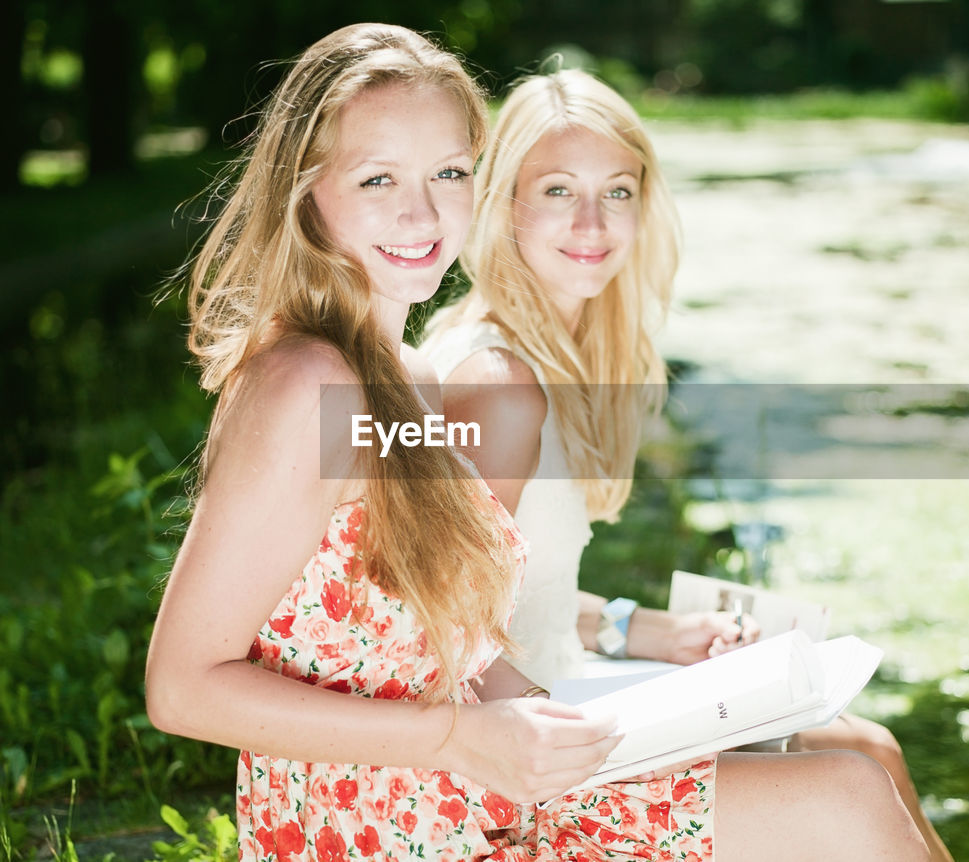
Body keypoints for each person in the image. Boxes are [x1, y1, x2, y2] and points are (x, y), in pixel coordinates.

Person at [145, 25, 927, 861]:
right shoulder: (303, 385)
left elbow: (463, 647)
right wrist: (458, 738)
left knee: (852, 787)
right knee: (847, 801)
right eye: (378, 179)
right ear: (306, 193)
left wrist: (596, 728)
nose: (422, 211)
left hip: (476, 794)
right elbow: (182, 687)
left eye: (448, 173)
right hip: (374, 829)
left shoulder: (405, 378)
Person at [424, 68, 951, 860]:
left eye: (619, 191)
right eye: (560, 190)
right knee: (853, 788)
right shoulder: (493, 383)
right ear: (505, 206)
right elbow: (432, 622)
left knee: (867, 744)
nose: (593, 222)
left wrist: (647, 630)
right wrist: (599, 729)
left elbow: (508, 592)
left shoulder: (554, 359)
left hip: (555, 695)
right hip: (509, 759)